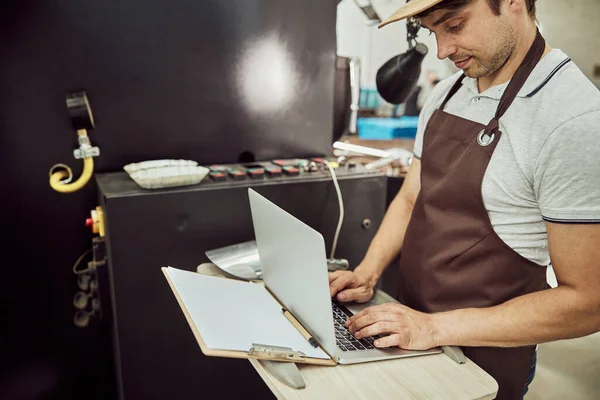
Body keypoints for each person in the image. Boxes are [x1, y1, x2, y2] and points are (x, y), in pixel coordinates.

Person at [328, 0, 600, 399]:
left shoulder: (573, 121)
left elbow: (588, 301)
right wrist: (368, 273)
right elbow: (411, 198)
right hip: (407, 340)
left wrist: (433, 327)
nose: (441, 50)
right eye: (431, 31)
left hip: (483, 365)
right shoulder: (446, 93)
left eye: (454, 25)